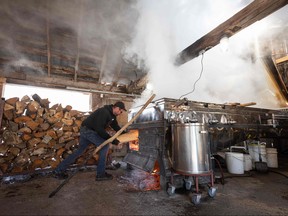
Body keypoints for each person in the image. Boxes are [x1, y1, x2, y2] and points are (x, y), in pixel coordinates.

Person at [53, 101, 127, 181]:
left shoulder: (112, 116)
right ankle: (100, 174)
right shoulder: (104, 112)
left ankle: (58, 171)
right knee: (105, 146)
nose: (120, 113)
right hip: (89, 131)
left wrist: (125, 133)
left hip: (87, 130)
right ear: (116, 107)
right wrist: (113, 141)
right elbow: (99, 129)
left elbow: (115, 126)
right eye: (120, 111)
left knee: (79, 151)